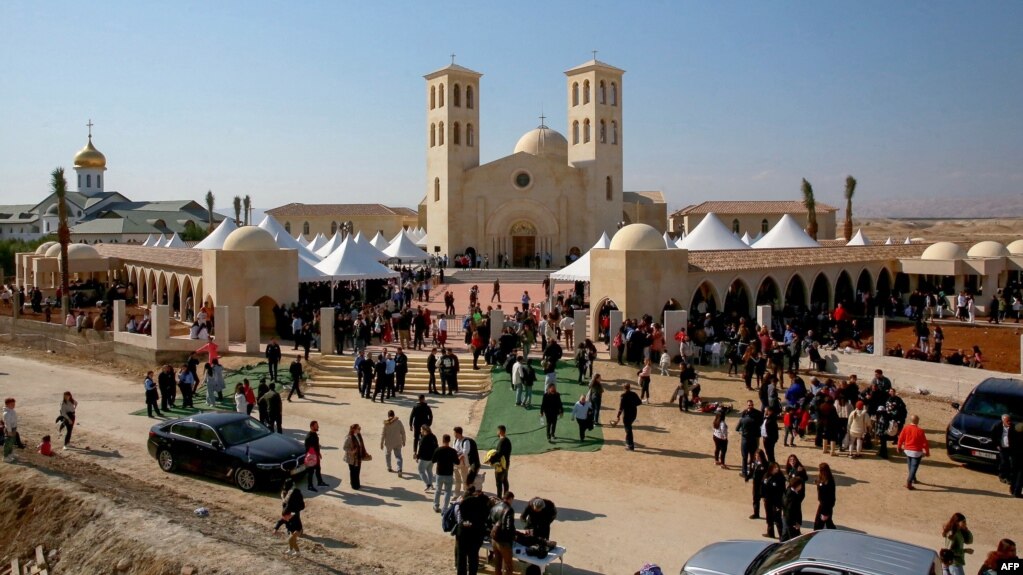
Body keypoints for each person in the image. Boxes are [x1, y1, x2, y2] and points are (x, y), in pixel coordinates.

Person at [454, 485, 490, 575]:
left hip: (463, 532)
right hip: (476, 534)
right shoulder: (482, 504)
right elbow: (486, 516)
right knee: (473, 557)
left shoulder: (464, 502)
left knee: (461, 557)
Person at [273, 478, 305, 557]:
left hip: (297, 528)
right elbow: (280, 521)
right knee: (292, 541)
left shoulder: (294, 515)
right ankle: (295, 551)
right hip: (290, 523)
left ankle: (293, 551)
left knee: (291, 539)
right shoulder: (287, 515)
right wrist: (275, 529)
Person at [488, 491, 518, 575]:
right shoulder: (509, 509)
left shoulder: (495, 506)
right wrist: (512, 536)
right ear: (510, 499)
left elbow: (489, 520)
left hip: (494, 539)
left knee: (498, 564)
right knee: (508, 566)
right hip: (504, 541)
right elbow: (509, 527)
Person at [897, 414, 930, 489]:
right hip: (916, 452)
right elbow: (925, 443)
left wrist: (899, 447)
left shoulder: (906, 428)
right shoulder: (920, 431)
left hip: (907, 450)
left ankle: (914, 479)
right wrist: (927, 452)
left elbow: (901, 438)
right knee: (914, 467)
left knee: (910, 465)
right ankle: (909, 482)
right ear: (917, 421)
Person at [431, 433, 460, 512]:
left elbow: (433, 460)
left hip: (439, 473)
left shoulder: (438, 450)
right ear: (449, 441)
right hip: (449, 474)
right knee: (447, 491)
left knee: (438, 490)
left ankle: (436, 506)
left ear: (442, 440)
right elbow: (457, 462)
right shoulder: (453, 451)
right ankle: (445, 508)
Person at [995, 414, 1023, 497]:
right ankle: (1016, 492)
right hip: (1020, 455)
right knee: (1020, 474)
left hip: (1015, 454)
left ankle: (1012, 489)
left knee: (1015, 472)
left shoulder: (1016, 428)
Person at [736, 400, 763, 478]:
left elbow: (737, 428)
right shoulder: (755, 416)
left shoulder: (744, 418)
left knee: (746, 457)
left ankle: (745, 472)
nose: (750, 406)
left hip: (747, 439)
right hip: (753, 438)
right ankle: (751, 472)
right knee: (752, 457)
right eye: (749, 405)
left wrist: (742, 432)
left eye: (751, 405)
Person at [612, 383, 643, 451]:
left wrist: (618, 415)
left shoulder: (623, 396)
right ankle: (627, 442)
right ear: (630, 387)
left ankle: (631, 445)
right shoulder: (634, 394)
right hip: (634, 414)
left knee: (628, 430)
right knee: (628, 428)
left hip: (626, 415)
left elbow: (621, 407)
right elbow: (640, 402)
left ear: (624, 388)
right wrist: (633, 404)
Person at [453, 427, 481, 497]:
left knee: (464, 480)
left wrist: (458, 457)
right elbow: (454, 450)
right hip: (456, 464)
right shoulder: (455, 440)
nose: (454, 434)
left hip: (463, 464)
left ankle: (466, 494)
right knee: (457, 480)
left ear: (458, 433)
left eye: (454, 432)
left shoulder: (466, 441)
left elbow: (465, 452)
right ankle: (456, 494)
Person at [761, 462, 785, 539]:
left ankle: (782, 536)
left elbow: (782, 490)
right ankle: (770, 532)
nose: (777, 469)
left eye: (777, 467)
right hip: (768, 500)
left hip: (777, 501)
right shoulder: (766, 476)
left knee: (777, 518)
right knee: (769, 516)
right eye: (775, 467)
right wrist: (763, 496)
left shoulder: (780, 477)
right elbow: (762, 486)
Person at [488, 425, 512, 497]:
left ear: (500, 431)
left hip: (500, 465)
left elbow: (499, 453)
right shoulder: (507, 440)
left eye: (497, 431)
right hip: (506, 464)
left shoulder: (502, 441)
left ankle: (499, 498)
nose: (497, 433)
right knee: (505, 481)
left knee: (499, 482)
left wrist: (491, 459)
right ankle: (506, 497)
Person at [342, 423, 368, 490]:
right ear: (354, 430)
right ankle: (354, 485)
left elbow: (361, 445)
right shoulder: (349, 437)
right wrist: (351, 451)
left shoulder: (359, 435)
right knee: (353, 471)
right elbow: (344, 447)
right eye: (358, 428)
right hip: (351, 458)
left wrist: (364, 453)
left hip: (358, 457)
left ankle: (357, 484)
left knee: (357, 471)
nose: (359, 429)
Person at [380, 409, 406, 475]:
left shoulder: (385, 424)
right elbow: (403, 432)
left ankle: (389, 467)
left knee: (388, 455)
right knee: (398, 456)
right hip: (397, 442)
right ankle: (399, 469)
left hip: (388, 443)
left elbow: (383, 434)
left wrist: (381, 443)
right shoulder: (399, 422)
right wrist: (404, 440)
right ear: (394, 415)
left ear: (388, 415)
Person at [305, 421, 328, 491]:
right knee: (311, 472)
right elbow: (308, 448)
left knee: (318, 469)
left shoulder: (314, 434)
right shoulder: (309, 437)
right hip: (311, 456)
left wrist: (319, 453)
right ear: (312, 426)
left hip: (316, 455)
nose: (318, 427)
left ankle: (320, 482)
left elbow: (316, 445)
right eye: (316, 426)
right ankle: (310, 486)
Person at [813, 462, 836, 530]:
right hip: (822, 505)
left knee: (819, 525)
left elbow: (831, 499)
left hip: (825, 507)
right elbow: (821, 485)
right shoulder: (822, 479)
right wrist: (818, 483)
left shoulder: (830, 483)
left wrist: (825, 513)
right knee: (828, 524)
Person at [781, 476, 805, 542]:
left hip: (787, 519)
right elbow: (790, 511)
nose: (801, 487)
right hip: (791, 522)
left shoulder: (789, 491)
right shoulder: (792, 497)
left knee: (785, 537)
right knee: (794, 540)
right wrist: (795, 523)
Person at [415, 425, 438, 492]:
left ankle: (428, 485)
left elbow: (421, 449)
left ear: (425, 430)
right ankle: (431, 484)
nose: (420, 431)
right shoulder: (433, 436)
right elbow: (437, 446)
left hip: (424, 458)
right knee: (429, 471)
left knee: (421, 470)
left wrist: (417, 457)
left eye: (421, 430)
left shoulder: (424, 438)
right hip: (432, 458)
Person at [749, 449, 768, 519]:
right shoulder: (754, 462)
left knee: (766, 500)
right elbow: (752, 471)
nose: (757, 457)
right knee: (755, 499)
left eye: (759, 456)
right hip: (755, 484)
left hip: (763, 485)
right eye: (756, 456)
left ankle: (769, 515)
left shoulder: (766, 464)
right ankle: (756, 513)